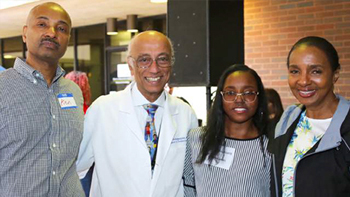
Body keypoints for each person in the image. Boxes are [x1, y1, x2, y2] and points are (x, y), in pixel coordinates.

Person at [76, 30, 198, 197]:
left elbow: (190, 177)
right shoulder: (102, 110)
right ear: (131, 66)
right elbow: (74, 169)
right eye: (144, 60)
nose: (154, 69)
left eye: (162, 59)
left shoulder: (185, 113)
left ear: (171, 64)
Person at [0, 2, 85, 196]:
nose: (52, 33)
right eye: (42, 25)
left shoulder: (73, 91)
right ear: (24, 33)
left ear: (68, 39)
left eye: (61, 28)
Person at [269, 36, 350, 197]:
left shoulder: (346, 128)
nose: (304, 81)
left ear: (335, 74)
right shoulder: (286, 123)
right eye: (295, 71)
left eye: (316, 71)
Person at [183, 64, 271, 197]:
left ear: (258, 97)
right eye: (230, 93)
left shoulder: (271, 147)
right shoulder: (197, 138)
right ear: (220, 97)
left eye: (248, 93)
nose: (239, 99)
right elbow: (188, 186)